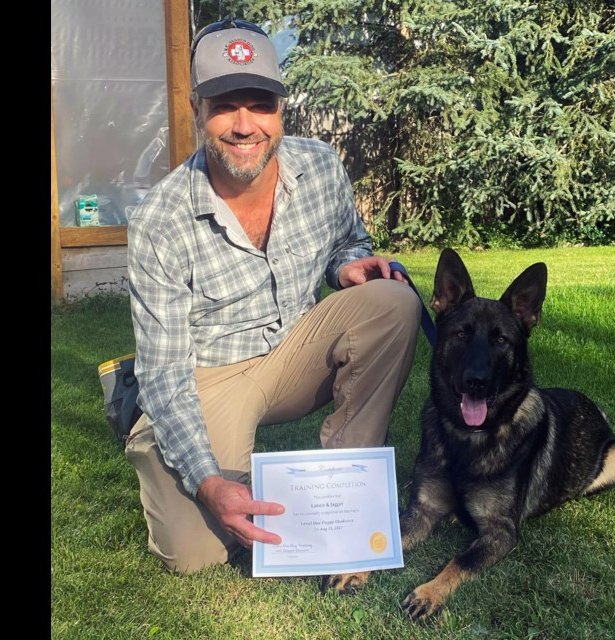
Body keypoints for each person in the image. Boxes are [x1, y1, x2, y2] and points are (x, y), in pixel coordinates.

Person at [124, 18, 422, 574]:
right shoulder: (158, 221)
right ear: (197, 111)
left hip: (292, 351)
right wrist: (209, 483)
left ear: (282, 109)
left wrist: (346, 269)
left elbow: (348, 243)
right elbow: (165, 373)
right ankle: (157, 439)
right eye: (224, 105)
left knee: (393, 300)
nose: (244, 125)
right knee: (197, 553)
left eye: (260, 104)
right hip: (206, 373)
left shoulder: (322, 167)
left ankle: (346, 497)